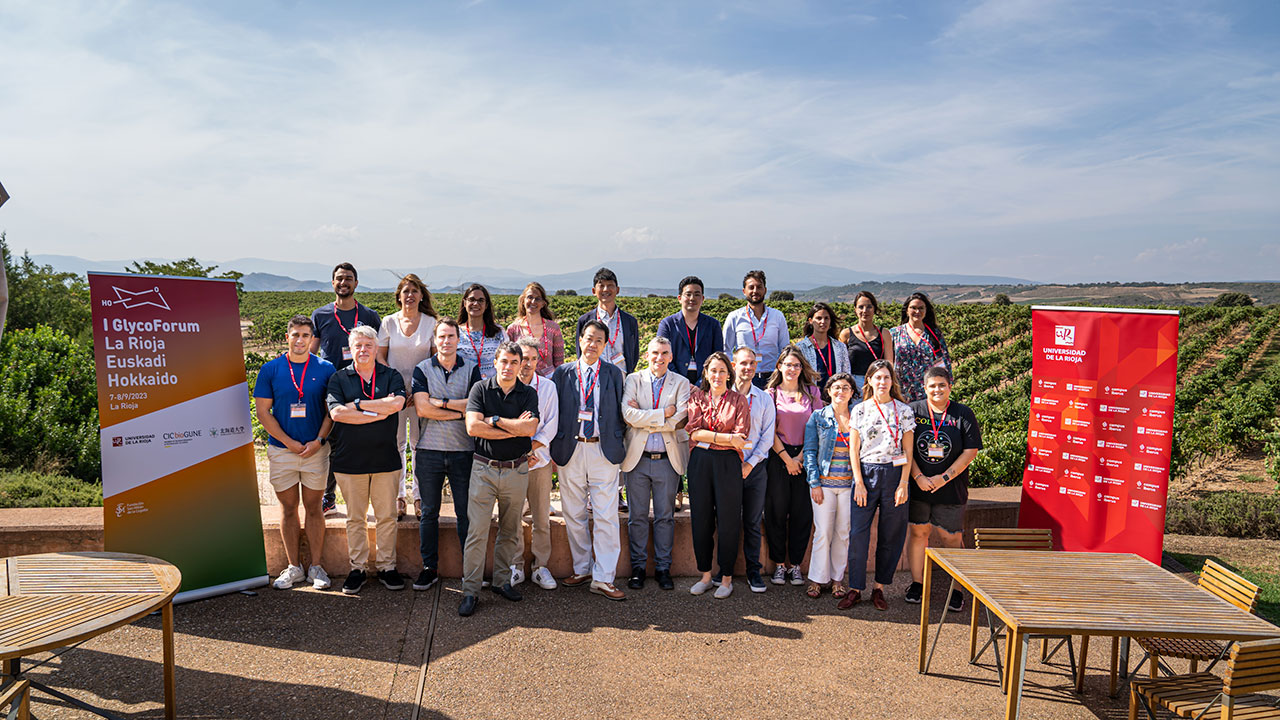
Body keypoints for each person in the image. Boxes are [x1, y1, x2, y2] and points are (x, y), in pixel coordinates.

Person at [457, 341, 541, 617]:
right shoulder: (480, 389)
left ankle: (502, 582)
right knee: (477, 532)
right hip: (484, 470)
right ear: (495, 362)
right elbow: (472, 427)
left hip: (517, 470)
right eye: (503, 361)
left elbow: (529, 427)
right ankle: (470, 591)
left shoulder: (528, 393)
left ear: (521, 366)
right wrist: (513, 427)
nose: (508, 367)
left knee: (510, 531)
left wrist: (493, 421)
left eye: (514, 363)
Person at [253, 315, 336, 590]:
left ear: (312, 339)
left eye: (305, 335)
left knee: (314, 508)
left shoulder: (326, 368)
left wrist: (319, 441)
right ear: (287, 337)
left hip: (315, 451)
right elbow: (263, 413)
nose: (300, 340)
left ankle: (316, 567)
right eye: (295, 335)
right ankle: (293, 567)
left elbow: (331, 411)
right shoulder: (271, 369)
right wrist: (288, 442)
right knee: (288, 508)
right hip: (282, 451)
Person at [326, 325, 407, 595]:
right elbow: (337, 413)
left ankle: (387, 567)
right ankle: (357, 568)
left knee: (386, 517)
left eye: (368, 345)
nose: (363, 350)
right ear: (351, 349)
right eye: (358, 346)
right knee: (355, 518)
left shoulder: (391, 375)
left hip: (386, 459)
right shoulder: (339, 378)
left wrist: (357, 405)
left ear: (376, 348)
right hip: (350, 461)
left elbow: (396, 405)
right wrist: (374, 407)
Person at [551, 319, 627, 601]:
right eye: (588, 338)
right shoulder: (562, 373)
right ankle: (582, 568)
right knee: (573, 513)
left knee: (606, 514)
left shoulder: (614, 374)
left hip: (602, 450)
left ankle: (604, 578)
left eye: (598, 340)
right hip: (571, 449)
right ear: (580, 341)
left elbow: (621, 412)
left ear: (605, 345)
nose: (592, 344)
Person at [409, 318, 481, 592]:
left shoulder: (471, 369)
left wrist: (442, 403)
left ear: (458, 338)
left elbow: (475, 406)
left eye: (451, 336)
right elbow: (422, 409)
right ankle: (429, 568)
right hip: (429, 450)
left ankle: (469, 570)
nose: (446, 341)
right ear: (435, 339)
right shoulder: (422, 369)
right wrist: (458, 410)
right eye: (441, 336)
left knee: (466, 514)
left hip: (464, 450)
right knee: (429, 513)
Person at [904, 367, 982, 612]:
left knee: (952, 537)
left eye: (942, 385)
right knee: (918, 534)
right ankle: (917, 584)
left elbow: (970, 451)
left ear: (950, 386)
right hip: (919, 487)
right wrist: (917, 476)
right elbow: (905, 447)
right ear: (924, 388)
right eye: (932, 386)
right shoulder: (913, 411)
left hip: (951, 488)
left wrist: (944, 477)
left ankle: (958, 589)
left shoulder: (962, 413)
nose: (937, 390)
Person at [840, 359, 915, 611]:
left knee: (891, 535)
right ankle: (855, 588)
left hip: (895, 475)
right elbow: (854, 449)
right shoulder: (860, 410)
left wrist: (904, 483)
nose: (882, 382)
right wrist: (858, 481)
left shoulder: (904, 411)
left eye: (886, 377)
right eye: (877, 377)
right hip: (866, 474)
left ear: (892, 381)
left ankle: (880, 588)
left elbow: (908, 449)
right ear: (869, 381)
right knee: (858, 534)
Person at [620, 337, 691, 591]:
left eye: (664, 353)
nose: (658, 358)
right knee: (636, 517)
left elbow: (680, 418)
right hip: (637, 460)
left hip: (667, 461)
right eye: (654, 353)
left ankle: (663, 568)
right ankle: (638, 568)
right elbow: (628, 415)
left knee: (665, 517)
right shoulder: (632, 380)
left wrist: (645, 417)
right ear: (646, 355)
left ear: (671, 356)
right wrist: (664, 414)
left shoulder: (682, 383)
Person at [311, 263, 381, 514]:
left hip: (362, 385)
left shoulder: (370, 315)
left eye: (348, 279)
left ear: (356, 283)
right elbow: (311, 352)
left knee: (364, 441)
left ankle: (370, 497)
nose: (344, 283)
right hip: (331, 386)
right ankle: (328, 497)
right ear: (332, 283)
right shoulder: (320, 315)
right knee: (331, 441)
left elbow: (378, 351)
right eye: (339, 279)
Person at [685, 351, 751, 598]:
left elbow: (741, 439)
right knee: (701, 519)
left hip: (728, 463)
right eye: (713, 370)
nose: (717, 375)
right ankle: (704, 575)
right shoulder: (697, 397)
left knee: (728, 520)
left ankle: (725, 578)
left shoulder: (738, 400)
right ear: (706, 372)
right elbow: (693, 433)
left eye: (722, 370)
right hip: (700, 462)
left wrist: (711, 437)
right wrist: (725, 438)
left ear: (729, 373)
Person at [377, 274, 438, 519]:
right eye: (405, 291)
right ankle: (399, 496)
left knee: (419, 445)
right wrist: (397, 387)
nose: (410, 295)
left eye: (414, 291)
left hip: (422, 395)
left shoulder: (430, 322)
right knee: (397, 444)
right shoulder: (388, 322)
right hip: (394, 394)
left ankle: (419, 496)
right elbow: (381, 357)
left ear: (421, 295)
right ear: (399, 296)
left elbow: (434, 359)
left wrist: (419, 389)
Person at [764, 346, 824, 586]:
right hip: (778, 456)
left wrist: (800, 458)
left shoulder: (812, 392)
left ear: (802, 369)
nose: (792, 369)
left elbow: (819, 426)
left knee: (802, 513)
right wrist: (788, 459)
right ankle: (779, 565)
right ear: (779, 366)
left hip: (806, 454)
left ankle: (796, 565)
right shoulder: (770, 394)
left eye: (796, 365)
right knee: (776, 511)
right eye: (788, 364)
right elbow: (768, 430)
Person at [802, 373, 858, 600]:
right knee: (823, 532)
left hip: (850, 486)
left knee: (843, 533)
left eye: (846, 387)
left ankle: (837, 579)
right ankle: (817, 579)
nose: (841, 391)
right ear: (829, 391)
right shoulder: (818, 417)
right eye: (836, 387)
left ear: (852, 392)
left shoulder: (858, 417)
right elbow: (810, 452)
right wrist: (814, 483)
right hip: (823, 485)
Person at [513, 336, 560, 591]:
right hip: (513, 462)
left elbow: (551, 424)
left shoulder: (549, 388)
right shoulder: (506, 386)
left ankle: (541, 567)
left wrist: (531, 448)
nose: (528, 364)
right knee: (513, 517)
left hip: (540, 461)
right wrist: (520, 450)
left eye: (533, 358)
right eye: (524, 358)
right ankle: (515, 566)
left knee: (541, 516)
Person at [730, 347, 776, 594]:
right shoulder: (724, 396)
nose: (747, 368)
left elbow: (767, 437)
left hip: (756, 467)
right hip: (728, 467)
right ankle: (723, 569)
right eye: (742, 363)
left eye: (751, 364)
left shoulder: (764, 398)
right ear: (733, 365)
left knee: (752, 520)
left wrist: (749, 463)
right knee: (726, 521)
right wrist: (734, 463)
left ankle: (753, 570)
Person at [723, 270, 789, 388]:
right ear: (744, 291)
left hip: (772, 379)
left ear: (765, 290)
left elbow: (785, 349)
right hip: (744, 377)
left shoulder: (777, 316)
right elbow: (726, 349)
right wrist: (731, 374)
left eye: (759, 287)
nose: (755, 291)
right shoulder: (734, 317)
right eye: (751, 287)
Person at [656, 275, 723, 385]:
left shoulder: (713, 325)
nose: (692, 298)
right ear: (679, 298)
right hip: (672, 383)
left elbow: (717, 357)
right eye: (688, 294)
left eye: (697, 294)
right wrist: (681, 383)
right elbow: (662, 355)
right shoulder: (667, 324)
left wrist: (701, 383)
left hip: (705, 384)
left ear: (702, 298)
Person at [574, 268, 640, 374]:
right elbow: (580, 352)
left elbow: (634, 353)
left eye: (610, 285)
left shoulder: (629, 321)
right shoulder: (584, 321)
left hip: (621, 378)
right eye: (601, 286)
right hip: (594, 378)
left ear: (617, 290)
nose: (605, 289)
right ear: (594, 291)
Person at [888, 292, 950, 402]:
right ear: (907, 310)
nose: (917, 311)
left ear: (926, 311)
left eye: (921, 308)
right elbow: (888, 362)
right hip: (900, 393)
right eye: (913, 308)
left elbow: (944, 363)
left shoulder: (934, 334)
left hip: (928, 393)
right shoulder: (894, 333)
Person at [506, 282, 565, 378]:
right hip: (522, 382)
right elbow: (509, 359)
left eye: (537, 298)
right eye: (529, 297)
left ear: (543, 303)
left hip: (548, 382)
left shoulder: (553, 328)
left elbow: (559, 362)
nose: (533, 301)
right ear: (523, 301)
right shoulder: (513, 329)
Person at [796, 302, 850, 399]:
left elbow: (846, 374)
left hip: (835, 399)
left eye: (826, 318)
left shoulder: (840, 347)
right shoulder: (801, 348)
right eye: (819, 318)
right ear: (810, 321)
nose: (823, 321)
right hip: (810, 399)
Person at [845, 291, 894, 393]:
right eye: (861, 307)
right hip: (853, 386)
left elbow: (889, 363)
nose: (865, 310)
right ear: (855, 310)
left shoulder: (884, 333)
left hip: (877, 384)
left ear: (874, 309)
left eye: (869, 307)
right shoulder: (846, 334)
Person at [456, 283, 505, 379]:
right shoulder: (455, 332)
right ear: (464, 303)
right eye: (471, 300)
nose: (475, 303)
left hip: (492, 389)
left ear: (486, 305)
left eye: (481, 300)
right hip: (463, 389)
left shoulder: (499, 332)